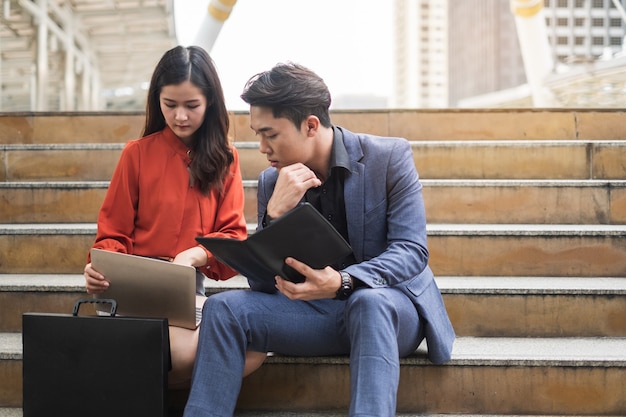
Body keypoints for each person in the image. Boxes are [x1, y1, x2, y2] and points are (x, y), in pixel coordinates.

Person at [184, 62, 456, 416]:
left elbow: (411, 252)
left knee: (368, 304)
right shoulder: (272, 181)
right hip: (313, 316)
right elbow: (262, 283)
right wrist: (274, 217)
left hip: (390, 311)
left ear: (311, 125)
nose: (263, 147)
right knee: (224, 308)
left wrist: (343, 281)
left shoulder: (388, 158)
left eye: (271, 134)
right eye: (257, 134)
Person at [83, 45, 266, 388]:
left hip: (188, 287)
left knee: (255, 349)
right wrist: (100, 269)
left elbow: (233, 236)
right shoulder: (136, 155)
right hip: (135, 285)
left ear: (210, 102)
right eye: (170, 105)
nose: (180, 116)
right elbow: (113, 233)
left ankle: (140, 386)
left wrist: (195, 255)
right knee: (187, 353)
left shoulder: (225, 158)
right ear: (157, 101)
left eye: (192, 106)